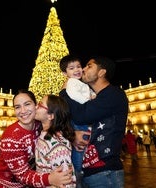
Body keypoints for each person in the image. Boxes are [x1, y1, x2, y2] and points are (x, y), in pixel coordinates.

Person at [59, 56, 129, 188]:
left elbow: (81, 115)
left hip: (105, 173)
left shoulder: (114, 95)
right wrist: (72, 135)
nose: (83, 69)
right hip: (88, 172)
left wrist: (63, 93)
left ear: (102, 72)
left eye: (89, 66)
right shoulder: (92, 97)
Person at [0, 89, 72, 188]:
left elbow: (58, 116)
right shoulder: (11, 137)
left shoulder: (39, 124)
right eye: (17, 107)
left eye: (27, 104)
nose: (23, 111)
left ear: (36, 105)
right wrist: (50, 179)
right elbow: (22, 175)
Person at [59, 54, 96, 187]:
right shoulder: (72, 82)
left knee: (81, 146)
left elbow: (87, 93)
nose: (77, 70)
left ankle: (79, 169)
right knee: (79, 148)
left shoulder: (79, 83)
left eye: (79, 66)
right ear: (65, 73)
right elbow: (76, 96)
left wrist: (92, 96)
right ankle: (78, 171)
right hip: (78, 121)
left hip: (80, 120)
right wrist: (89, 102)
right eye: (71, 68)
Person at [35, 94, 76, 187]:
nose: (36, 107)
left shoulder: (57, 144)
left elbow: (66, 181)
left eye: (40, 105)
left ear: (50, 116)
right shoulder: (45, 135)